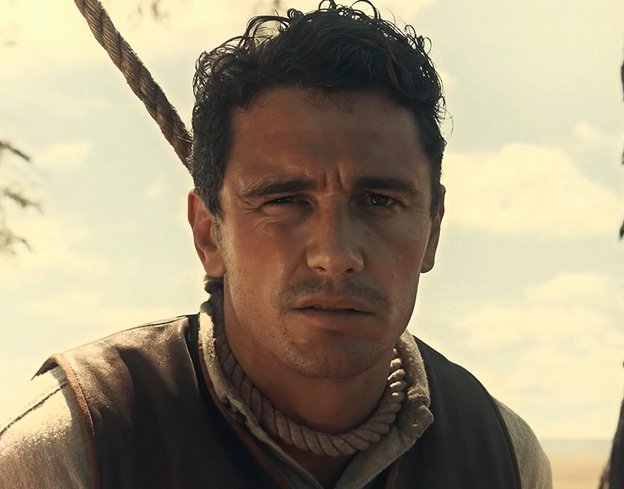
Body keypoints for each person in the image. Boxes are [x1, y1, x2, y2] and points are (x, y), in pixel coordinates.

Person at [0, 2, 552, 487]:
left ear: (432, 230)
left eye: (379, 201)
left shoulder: (503, 457)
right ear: (208, 234)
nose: (336, 256)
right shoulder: (72, 450)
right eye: (285, 201)